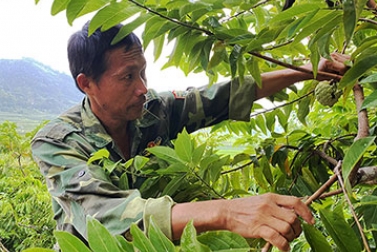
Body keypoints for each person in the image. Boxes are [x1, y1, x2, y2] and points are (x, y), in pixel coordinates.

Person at [31, 22, 349, 251]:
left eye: (142, 71)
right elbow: (102, 215)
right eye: (127, 77)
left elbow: (218, 97)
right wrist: (226, 212)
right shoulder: (57, 142)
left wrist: (307, 70)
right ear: (86, 84)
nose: (142, 87)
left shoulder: (152, 110)